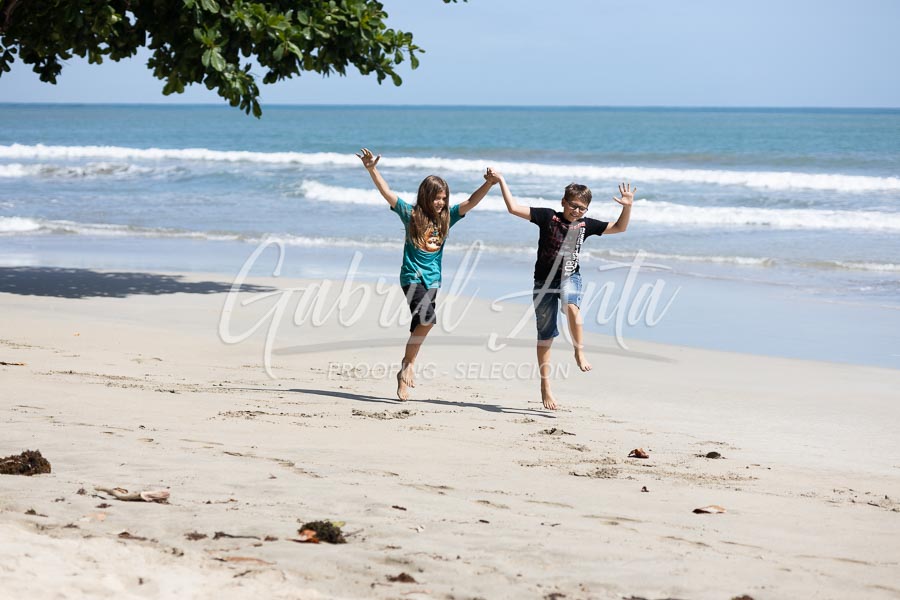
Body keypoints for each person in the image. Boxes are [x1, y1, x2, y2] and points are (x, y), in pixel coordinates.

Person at [357, 148, 497, 401]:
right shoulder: (411, 214)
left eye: (443, 198)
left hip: (433, 280)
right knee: (428, 319)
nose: (440, 202)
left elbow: (471, 202)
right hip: (411, 276)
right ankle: (408, 365)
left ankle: (403, 373)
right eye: (436, 198)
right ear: (425, 196)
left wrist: (488, 184)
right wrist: (372, 169)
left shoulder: (448, 217)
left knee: (418, 328)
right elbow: (387, 192)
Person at [492, 168, 635, 410]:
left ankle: (579, 351)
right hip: (543, 283)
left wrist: (627, 206)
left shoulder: (586, 225)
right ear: (563, 202)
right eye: (573, 205)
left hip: (570, 277)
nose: (577, 211)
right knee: (545, 336)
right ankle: (545, 386)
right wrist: (501, 180)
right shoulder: (548, 217)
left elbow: (620, 227)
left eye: (582, 208)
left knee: (572, 308)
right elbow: (513, 208)